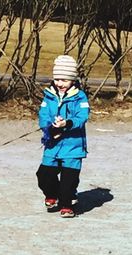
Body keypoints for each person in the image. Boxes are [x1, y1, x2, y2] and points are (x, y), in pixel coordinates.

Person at [36, 55, 90, 218]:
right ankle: (52, 194)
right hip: (52, 145)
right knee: (44, 176)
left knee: (68, 183)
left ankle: (67, 204)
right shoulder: (49, 95)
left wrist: (66, 123)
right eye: (58, 79)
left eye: (65, 80)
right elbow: (43, 115)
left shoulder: (80, 96)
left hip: (72, 147)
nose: (60, 83)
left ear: (72, 80)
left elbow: (83, 116)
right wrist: (50, 127)